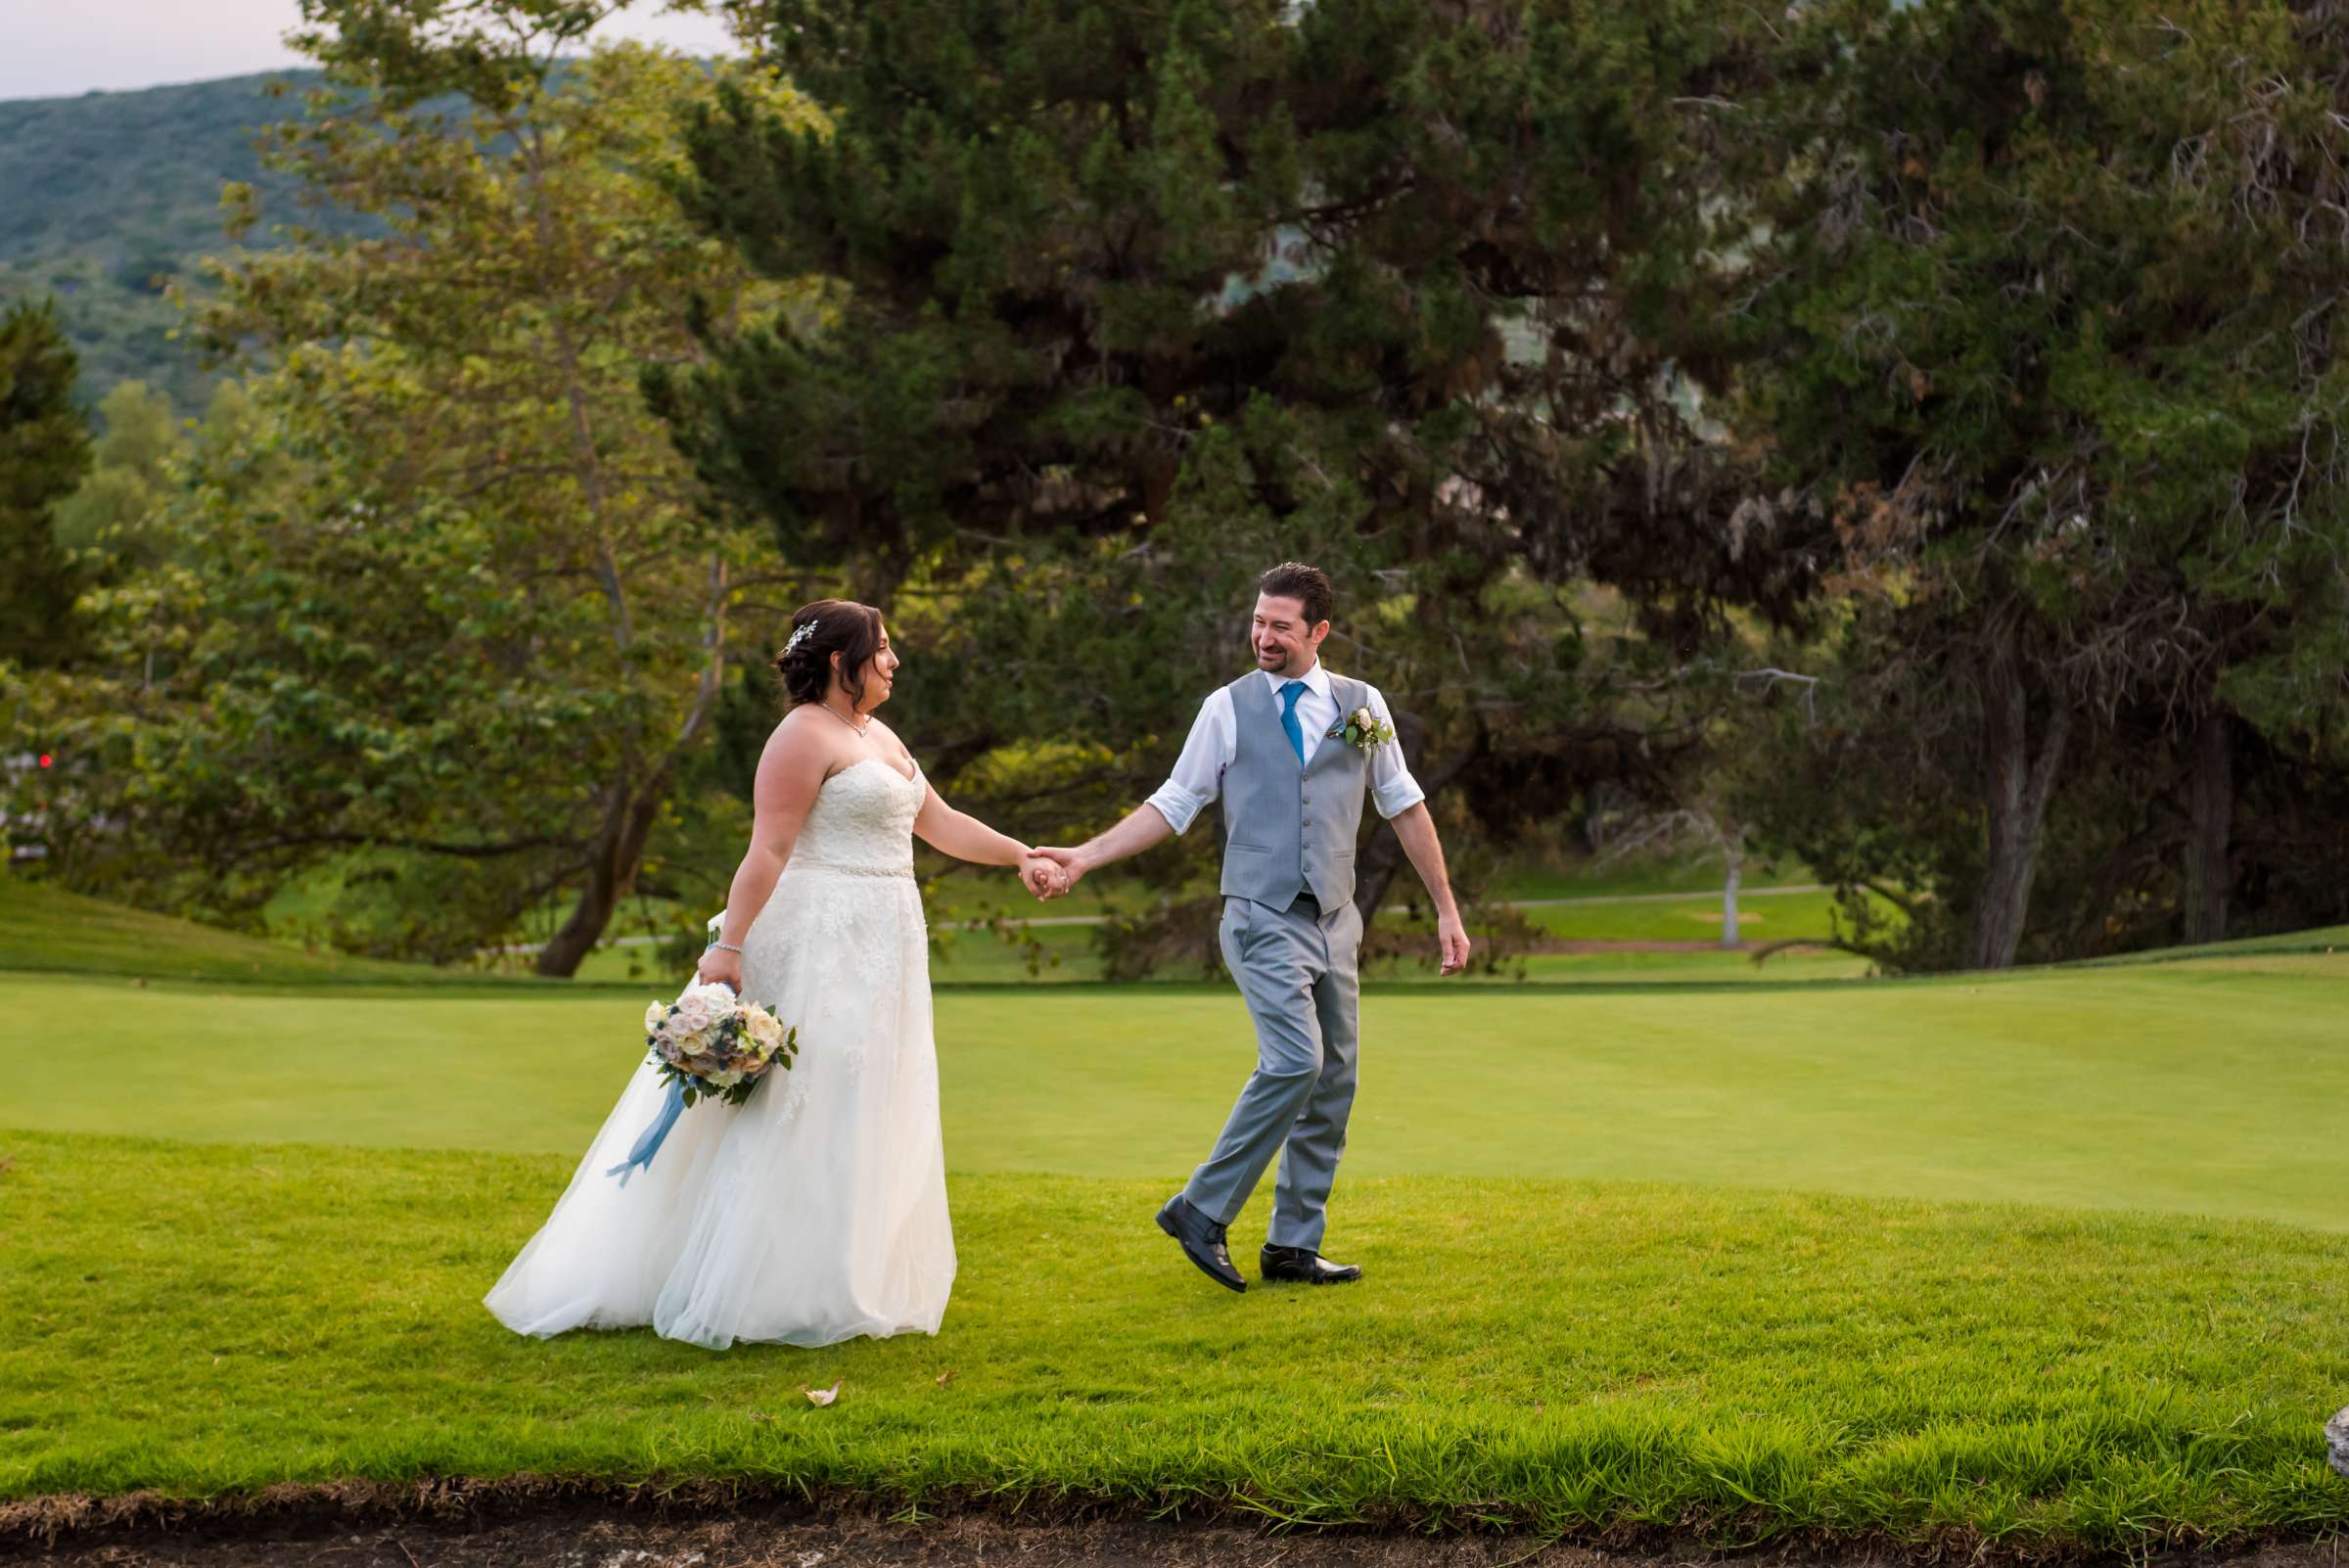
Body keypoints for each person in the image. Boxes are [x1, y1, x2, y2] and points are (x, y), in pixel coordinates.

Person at [485, 600, 1063, 1349]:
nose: (893, 662)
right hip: (820, 936)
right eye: (881, 650)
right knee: (806, 1094)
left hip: (886, 937)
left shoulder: (878, 735)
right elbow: (768, 850)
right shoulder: (800, 735)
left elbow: (940, 823)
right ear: (838, 662)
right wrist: (727, 947)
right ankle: (755, 1286)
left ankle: (832, 1278)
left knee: (863, 1096)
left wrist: (1024, 854)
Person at [1029, 562, 1468, 1293]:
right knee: (1296, 1061)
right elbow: (1173, 804)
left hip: (1335, 918)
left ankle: (1292, 1246)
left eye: (1280, 627)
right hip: (1260, 917)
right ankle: (1200, 1208)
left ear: (1319, 631)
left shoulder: (1363, 706)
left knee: (1334, 1082)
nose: (1263, 636)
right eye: (1258, 622)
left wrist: (1448, 911)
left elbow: (1405, 805)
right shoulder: (1226, 708)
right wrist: (1083, 857)